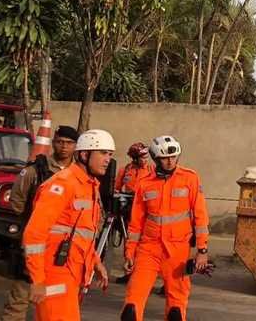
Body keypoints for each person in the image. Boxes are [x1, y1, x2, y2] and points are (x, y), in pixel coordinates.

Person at [22, 129, 113, 321]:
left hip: (72, 273)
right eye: (103, 153)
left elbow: (81, 233)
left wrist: (96, 262)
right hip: (55, 274)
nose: (108, 159)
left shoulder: (89, 186)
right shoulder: (63, 184)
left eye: (110, 154)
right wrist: (38, 279)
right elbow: (34, 233)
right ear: (84, 154)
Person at [120, 135, 210, 321]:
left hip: (178, 251)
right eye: (165, 158)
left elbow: (200, 216)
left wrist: (202, 250)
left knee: (176, 309)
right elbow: (136, 222)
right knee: (131, 306)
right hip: (148, 250)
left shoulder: (190, 178)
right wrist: (129, 252)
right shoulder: (144, 183)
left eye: (173, 157)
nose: (170, 161)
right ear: (155, 158)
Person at [0, 125, 79, 321]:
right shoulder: (36, 170)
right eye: (60, 142)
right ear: (53, 143)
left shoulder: (79, 174)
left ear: (75, 147)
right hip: (37, 242)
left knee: (57, 302)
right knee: (21, 295)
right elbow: (16, 201)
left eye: (69, 143)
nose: (64, 147)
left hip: (64, 249)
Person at [113, 143, 154, 284]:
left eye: (147, 156)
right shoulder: (124, 171)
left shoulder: (152, 170)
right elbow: (116, 188)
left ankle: (145, 275)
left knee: (146, 245)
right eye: (143, 157)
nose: (146, 160)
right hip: (128, 212)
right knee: (129, 242)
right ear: (135, 158)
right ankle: (129, 272)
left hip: (146, 212)